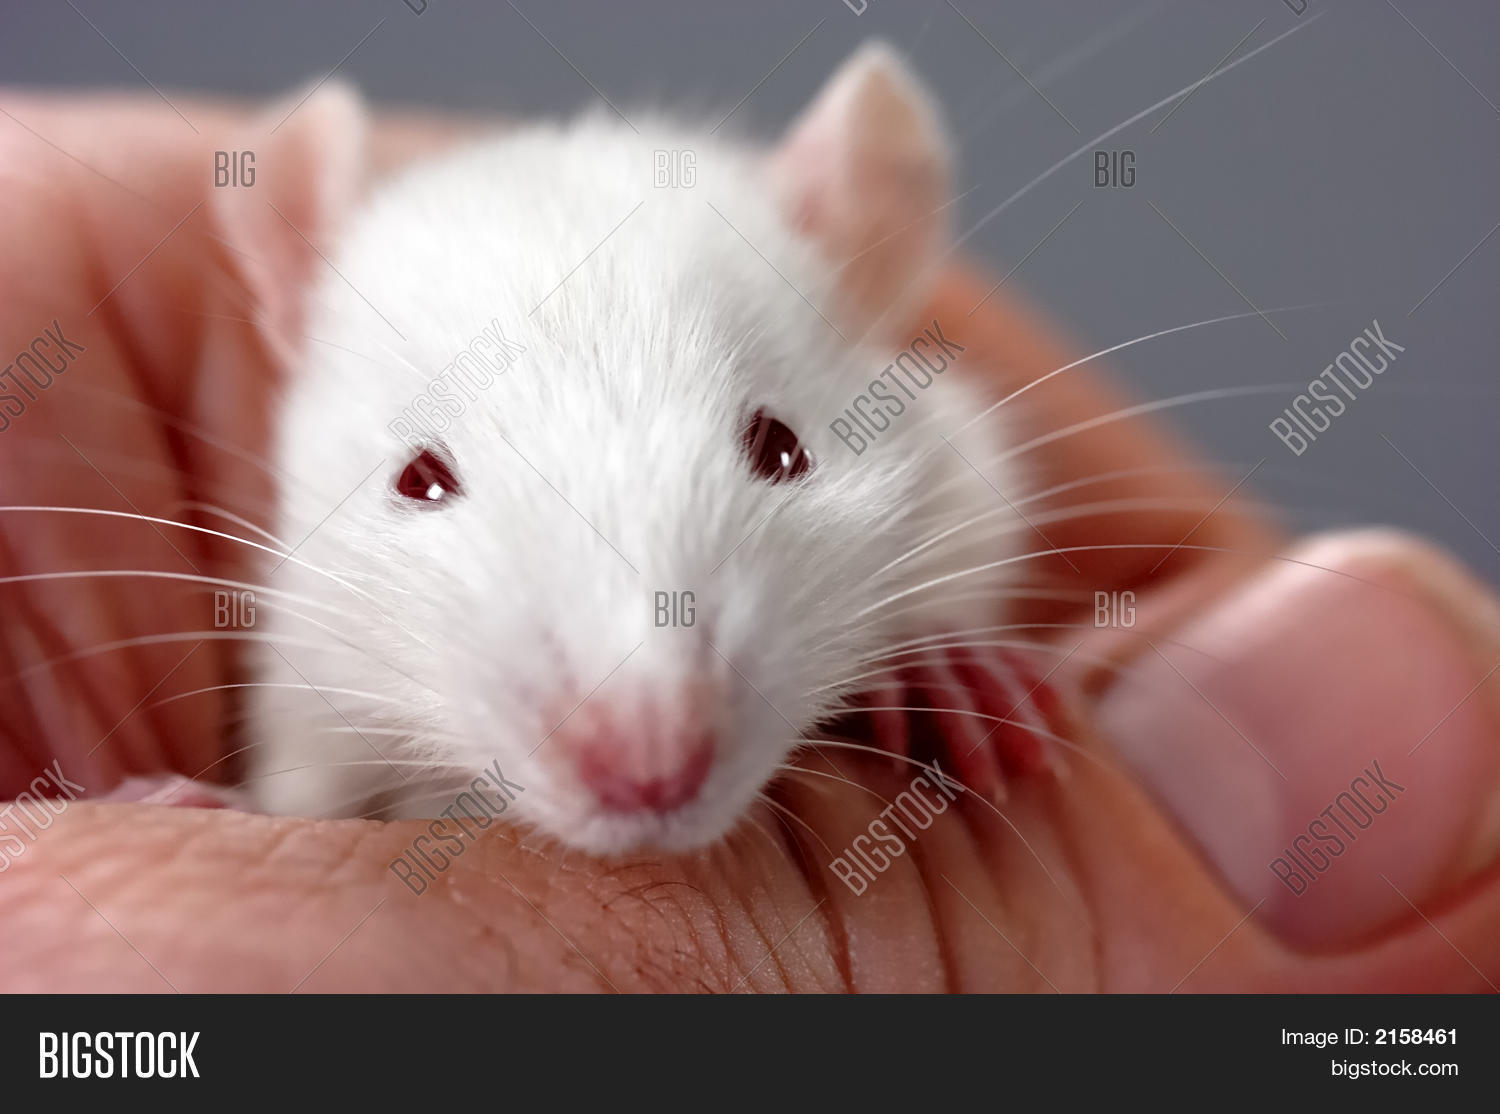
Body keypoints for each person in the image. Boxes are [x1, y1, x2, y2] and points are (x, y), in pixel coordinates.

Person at [0, 90, 1495, 991]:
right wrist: (225, 848)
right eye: (432, 482)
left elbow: (955, 468)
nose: (642, 731)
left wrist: (936, 648)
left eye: (772, 448)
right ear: (292, 301)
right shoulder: (313, 613)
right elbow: (306, 801)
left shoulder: (891, 414)